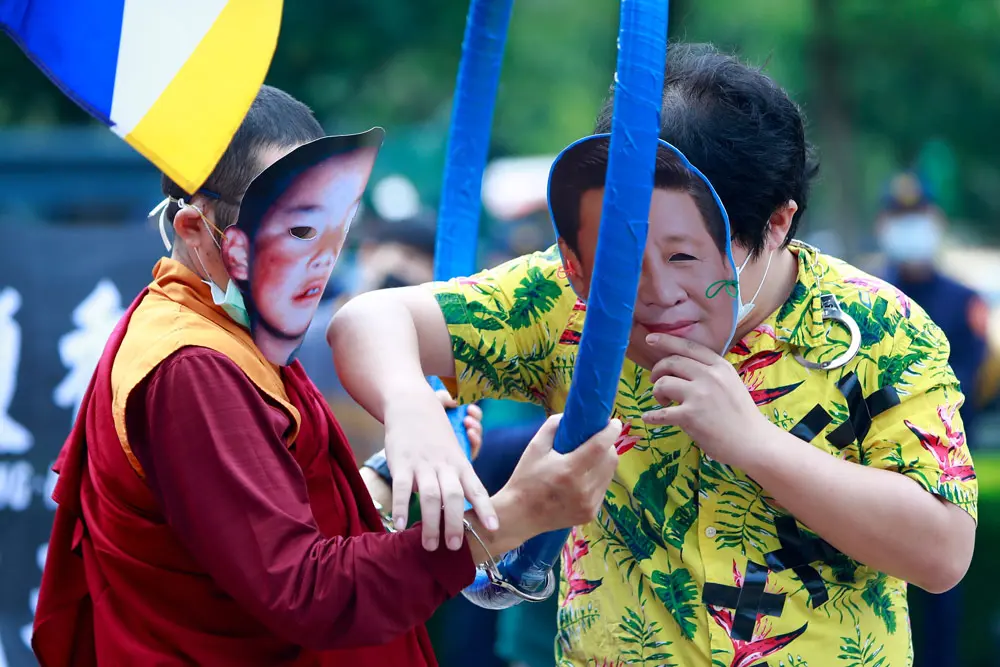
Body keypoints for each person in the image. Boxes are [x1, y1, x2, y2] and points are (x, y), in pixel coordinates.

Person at [328, 44, 978, 666]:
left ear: (777, 224)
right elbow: (366, 322)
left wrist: (757, 445)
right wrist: (410, 405)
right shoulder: (571, 294)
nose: (653, 293)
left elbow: (944, 549)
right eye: (624, 252)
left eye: (685, 255)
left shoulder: (879, 329)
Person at [30, 84, 622, 667]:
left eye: (333, 228)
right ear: (193, 230)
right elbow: (307, 593)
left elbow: (261, 525)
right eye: (295, 232)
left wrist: (388, 478)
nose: (320, 264)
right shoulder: (193, 367)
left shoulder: (232, 329)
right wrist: (521, 512)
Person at [876, 171, 988, 667]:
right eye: (899, 219)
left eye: (916, 218)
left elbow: (974, 379)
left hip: (948, 465)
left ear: (936, 222)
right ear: (884, 225)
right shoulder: (869, 296)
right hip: (881, 464)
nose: (909, 228)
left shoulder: (964, 301)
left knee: (944, 603)